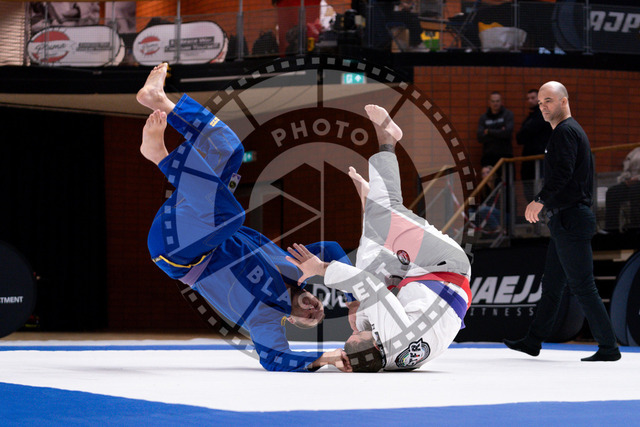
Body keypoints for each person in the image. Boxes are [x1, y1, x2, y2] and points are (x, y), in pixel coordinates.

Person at [136, 63, 350, 372]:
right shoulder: (297, 268)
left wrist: (324, 358)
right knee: (230, 149)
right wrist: (352, 297)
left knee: (231, 216)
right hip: (195, 215)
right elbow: (331, 248)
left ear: (291, 320)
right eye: (319, 311)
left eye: (309, 320)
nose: (315, 312)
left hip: (177, 252)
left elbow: (275, 359)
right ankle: (161, 101)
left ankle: (159, 155)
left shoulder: (265, 316)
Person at [286, 104, 472, 372]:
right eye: (357, 336)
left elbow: (369, 338)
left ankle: (368, 204)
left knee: (370, 263)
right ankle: (388, 140)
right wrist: (319, 269)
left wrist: (357, 318)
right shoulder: (390, 338)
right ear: (374, 344)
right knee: (387, 212)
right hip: (444, 267)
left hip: (424, 281)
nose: (354, 332)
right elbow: (367, 285)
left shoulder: (390, 360)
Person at [505, 81, 621, 362]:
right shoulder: (566, 131)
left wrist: (539, 199)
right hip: (565, 220)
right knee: (553, 285)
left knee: (583, 286)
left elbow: (564, 173)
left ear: (564, 101)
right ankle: (533, 341)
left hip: (571, 218)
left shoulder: (566, 131)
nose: (543, 107)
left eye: (548, 100)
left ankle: (609, 347)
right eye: (540, 102)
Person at [516, 89, 552, 201]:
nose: (530, 100)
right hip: (529, 158)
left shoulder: (543, 114)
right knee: (529, 189)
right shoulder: (530, 117)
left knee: (539, 187)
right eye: (528, 98)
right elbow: (519, 138)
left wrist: (527, 131)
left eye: (533, 98)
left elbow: (528, 131)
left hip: (540, 158)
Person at [605, 147, 640, 232]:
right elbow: (626, 170)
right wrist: (626, 179)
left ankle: (635, 227)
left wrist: (637, 179)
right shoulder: (635, 151)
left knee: (635, 191)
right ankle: (612, 230)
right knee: (612, 192)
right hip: (631, 182)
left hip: (637, 183)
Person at [477, 91, 514, 168]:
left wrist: (488, 131)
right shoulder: (484, 117)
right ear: (489, 102)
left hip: (505, 155)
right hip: (488, 156)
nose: (495, 103)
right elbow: (480, 137)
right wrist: (500, 131)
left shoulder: (508, 114)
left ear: (501, 102)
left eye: (497, 101)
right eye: (493, 101)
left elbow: (507, 133)